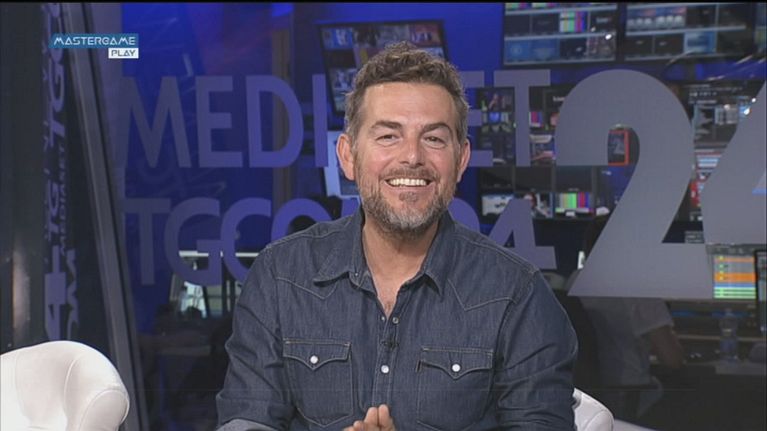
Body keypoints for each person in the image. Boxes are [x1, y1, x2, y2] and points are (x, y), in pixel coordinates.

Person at [216, 41, 577, 431]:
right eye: (388, 136)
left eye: (433, 139)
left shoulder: (517, 293)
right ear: (348, 156)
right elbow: (247, 419)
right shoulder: (281, 275)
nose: (412, 157)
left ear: (461, 159)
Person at [567, 215, 685, 423]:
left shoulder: (575, 281)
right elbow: (672, 359)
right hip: (630, 399)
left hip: (584, 400)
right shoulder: (636, 287)